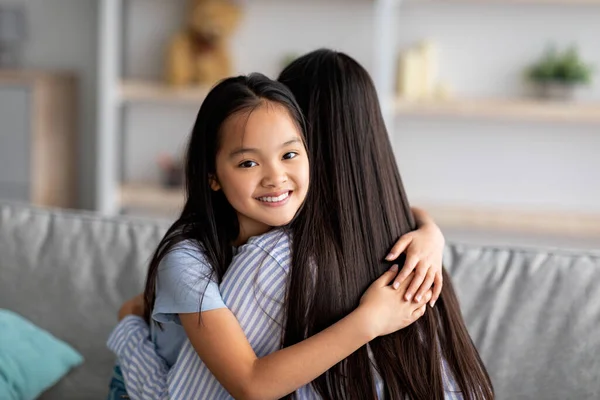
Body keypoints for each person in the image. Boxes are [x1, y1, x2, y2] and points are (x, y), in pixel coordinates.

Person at [108, 72, 444, 399]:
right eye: (248, 164)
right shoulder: (186, 260)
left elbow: (370, 209)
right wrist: (370, 320)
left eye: (289, 155)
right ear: (212, 176)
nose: (275, 177)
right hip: (147, 388)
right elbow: (250, 384)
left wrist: (429, 232)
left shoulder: (297, 222)